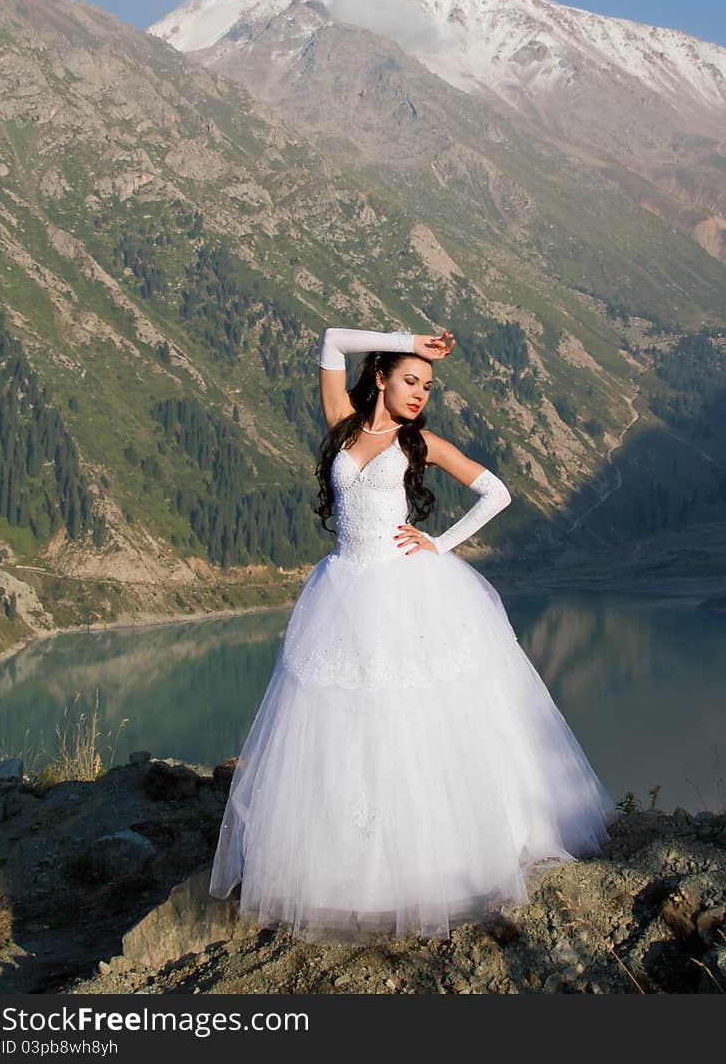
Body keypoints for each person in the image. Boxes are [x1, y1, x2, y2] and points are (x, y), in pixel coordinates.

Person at [208, 324, 615, 943]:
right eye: (410, 378)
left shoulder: (417, 441)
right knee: (343, 725)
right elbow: (329, 342)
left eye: (427, 384)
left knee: (411, 719)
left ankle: (431, 863)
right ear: (381, 377)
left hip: (403, 591)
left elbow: (495, 492)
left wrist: (436, 545)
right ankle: (347, 864)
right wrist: (409, 338)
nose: (421, 391)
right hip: (343, 591)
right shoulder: (342, 422)